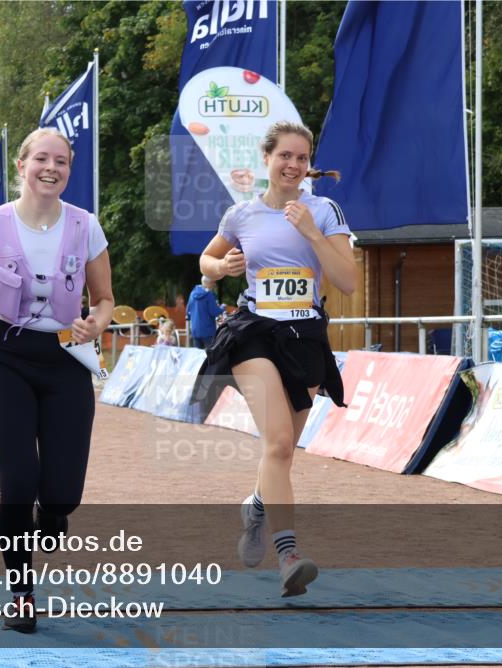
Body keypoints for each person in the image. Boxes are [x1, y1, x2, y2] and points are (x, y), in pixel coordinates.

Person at [0, 128, 114, 633]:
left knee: (62, 496)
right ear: (22, 165)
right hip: (5, 359)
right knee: (17, 484)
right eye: (41, 158)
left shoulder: (85, 227)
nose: (50, 168)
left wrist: (95, 323)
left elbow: (103, 299)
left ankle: (53, 515)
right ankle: (21, 593)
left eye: (61, 161)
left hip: (65, 360)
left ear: (68, 170)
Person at [195, 121, 357, 597]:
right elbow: (206, 260)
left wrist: (310, 230)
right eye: (285, 155)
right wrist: (220, 267)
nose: (293, 165)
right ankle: (288, 554)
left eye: (302, 158)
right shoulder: (240, 215)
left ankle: (257, 508)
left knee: (281, 453)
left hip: (304, 335)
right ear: (266, 159)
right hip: (254, 333)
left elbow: (347, 280)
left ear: (310, 166)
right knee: (280, 441)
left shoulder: (324, 210)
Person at [186, 275, 225, 350]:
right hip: (208, 331)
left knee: (197, 356)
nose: (214, 285)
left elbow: (188, 311)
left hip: (195, 330)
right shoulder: (209, 295)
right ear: (209, 283)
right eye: (213, 283)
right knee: (210, 355)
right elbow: (214, 312)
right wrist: (222, 308)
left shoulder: (192, 294)